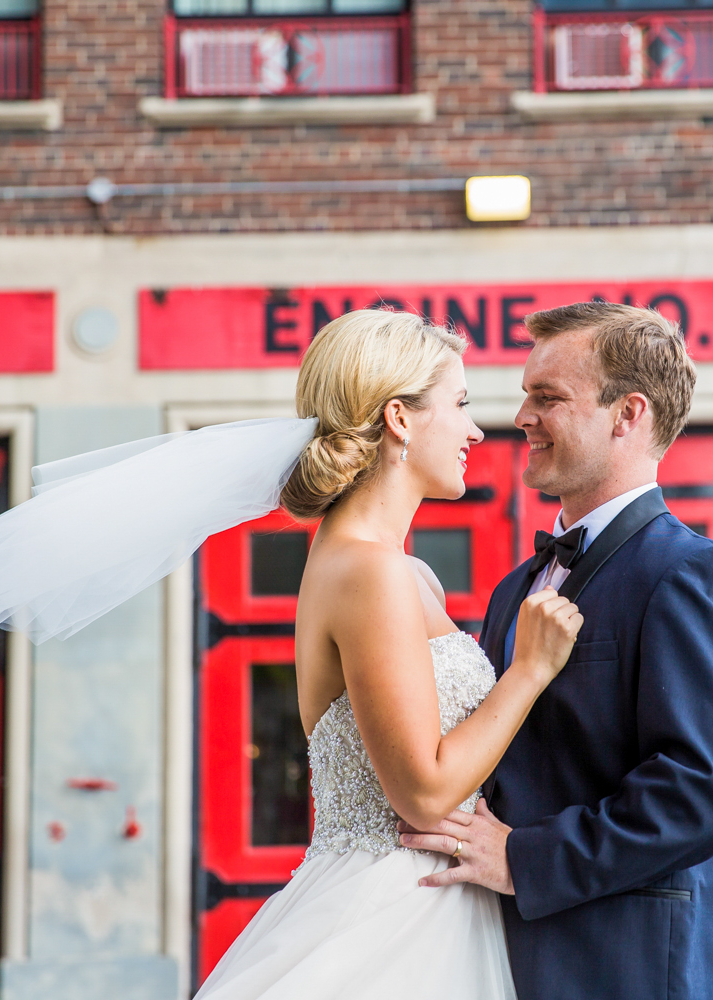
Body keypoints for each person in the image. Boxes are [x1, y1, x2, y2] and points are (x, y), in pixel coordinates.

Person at [192, 310, 582, 1000]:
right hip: (394, 918)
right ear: (399, 418)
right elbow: (425, 793)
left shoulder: (393, 570)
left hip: (428, 905)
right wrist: (529, 670)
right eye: (459, 406)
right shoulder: (371, 572)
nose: (475, 430)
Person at [398, 302, 713, 1000]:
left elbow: (706, 790)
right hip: (503, 956)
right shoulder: (515, 587)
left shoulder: (692, 573)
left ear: (627, 414)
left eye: (549, 398)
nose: (523, 418)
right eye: (524, 397)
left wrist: (523, 859)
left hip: (631, 966)